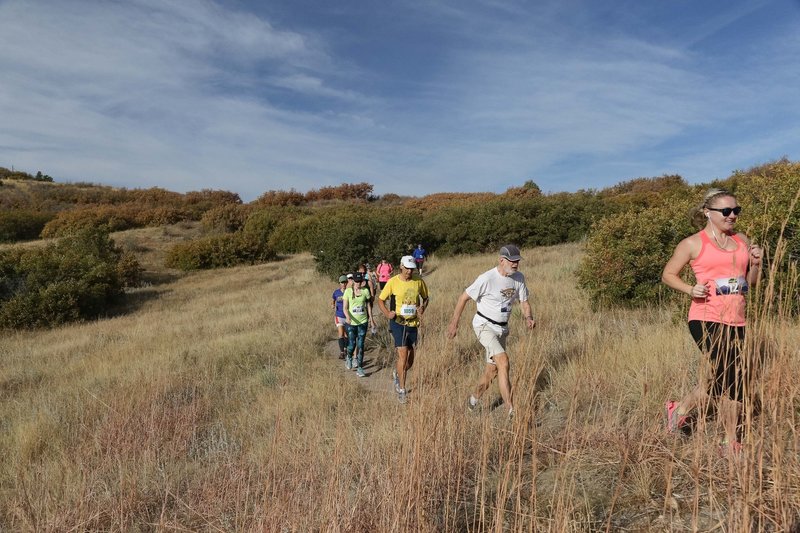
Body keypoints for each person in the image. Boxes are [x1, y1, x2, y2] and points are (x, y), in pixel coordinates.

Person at [661, 188, 762, 455]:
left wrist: (756, 264)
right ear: (708, 212)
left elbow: (751, 284)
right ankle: (729, 442)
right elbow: (668, 274)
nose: (732, 216)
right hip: (705, 317)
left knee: (717, 381)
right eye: (726, 211)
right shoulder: (693, 243)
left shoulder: (742, 240)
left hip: (736, 319)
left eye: (736, 211)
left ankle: (678, 409)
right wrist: (689, 289)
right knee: (733, 376)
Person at [447, 244, 536, 418]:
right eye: (512, 261)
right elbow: (463, 298)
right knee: (503, 361)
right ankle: (511, 409)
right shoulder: (486, 278)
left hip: (502, 329)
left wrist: (528, 317)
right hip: (484, 325)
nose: (516, 264)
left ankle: (473, 399)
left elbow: (524, 302)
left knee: (492, 371)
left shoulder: (519, 278)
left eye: (518, 261)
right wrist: (454, 324)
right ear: (501, 260)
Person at [377, 255, 429, 403]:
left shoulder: (418, 281)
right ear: (401, 266)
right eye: (406, 268)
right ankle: (402, 388)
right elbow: (381, 300)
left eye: (411, 269)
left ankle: (397, 373)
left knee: (409, 362)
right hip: (398, 322)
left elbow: (425, 298)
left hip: (413, 323)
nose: (409, 272)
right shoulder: (392, 282)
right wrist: (388, 313)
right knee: (403, 354)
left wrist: (422, 308)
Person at [343, 272, 375, 377]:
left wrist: (371, 319)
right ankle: (349, 357)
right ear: (352, 281)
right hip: (351, 323)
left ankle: (360, 368)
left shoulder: (365, 291)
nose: (357, 283)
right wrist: (347, 317)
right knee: (352, 345)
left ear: (362, 282)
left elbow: (368, 306)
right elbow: (345, 307)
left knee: (361, 345)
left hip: (363, 322)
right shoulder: (348, 292)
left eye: (359, 281)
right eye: (355, 281)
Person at [332, 275, 349, 359]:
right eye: (342, 282)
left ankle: (345, 349)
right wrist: (332, 305)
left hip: (347, 316)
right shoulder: (336, 292)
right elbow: (333, 300)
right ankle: (342, 352)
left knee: (346, 334)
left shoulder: (349, 291)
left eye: (345, 282)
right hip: (339, 315)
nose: (344, 284)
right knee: (341, 333)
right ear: (339, 283)